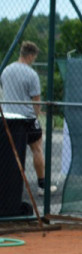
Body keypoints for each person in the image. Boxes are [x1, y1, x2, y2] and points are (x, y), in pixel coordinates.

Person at [1, 40, 56, 195]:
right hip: (27, 119)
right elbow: (36, 101)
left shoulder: (6, 70)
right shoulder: (31, 74)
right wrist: (37, 115)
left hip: (8, 118)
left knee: (10, 152)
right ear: (31, 55)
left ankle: (8, 186)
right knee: (37, 149)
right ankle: (42, 186)